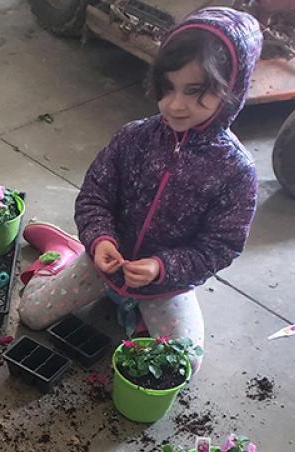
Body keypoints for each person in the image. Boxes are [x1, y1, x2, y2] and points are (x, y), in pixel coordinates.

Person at [19, 7, 263, 372]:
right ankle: (64, 251)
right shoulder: (134, 138)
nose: (175, 105)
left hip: (165, 284)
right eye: (168, 88)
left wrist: (161, 267)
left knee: (183, 365)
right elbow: (95, 195)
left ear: (232, 89)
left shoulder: (236, 172)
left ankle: (135, 302)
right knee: (31, 313)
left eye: (196, 92)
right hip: (105, 261)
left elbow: (219, 247)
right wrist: (100, 239)